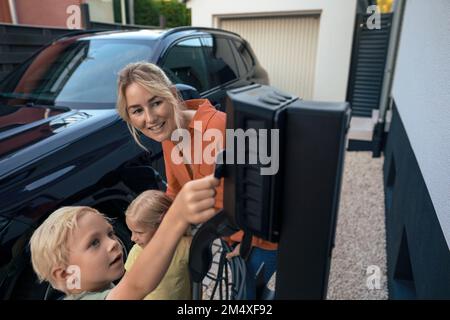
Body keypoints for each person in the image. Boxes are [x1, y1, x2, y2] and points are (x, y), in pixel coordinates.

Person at [116, 62, 278, 300]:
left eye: (155, 103)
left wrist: (247, 241)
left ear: (171, 95)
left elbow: (267, 189)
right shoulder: (170, 136)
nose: (149, 118)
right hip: (230, 238)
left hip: (260, 241)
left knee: (245, 298)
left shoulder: (221, 126)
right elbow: (176, 192)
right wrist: (154, 226)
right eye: (137, 110)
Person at [29, 175, 219, 300]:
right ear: (67, 275)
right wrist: (175, 218)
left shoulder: (103, 287)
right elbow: (136, 285)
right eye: (94, 242)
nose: (113, 243)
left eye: (110, 233)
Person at [124, 190, 191, 300]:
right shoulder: (136, 253)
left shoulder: (185, 246)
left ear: (163, 222)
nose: (132, 238)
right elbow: (127, 289)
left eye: (139, 232)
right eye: (132, 232)